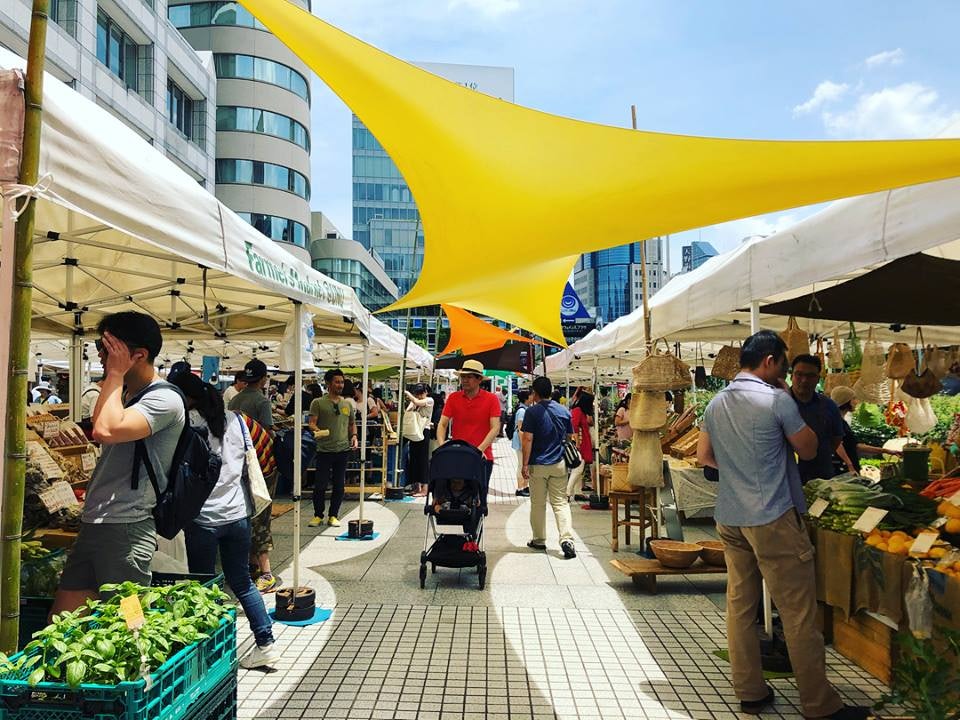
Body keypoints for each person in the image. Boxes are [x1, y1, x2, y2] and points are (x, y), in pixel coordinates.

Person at [696, 330, 867, 720]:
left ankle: (750, 692)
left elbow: (705, 455)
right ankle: (819, 705)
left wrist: (741, 470)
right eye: (784, 365)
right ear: (771, 361)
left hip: (730, 517)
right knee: (798, 611)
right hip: (772, 516)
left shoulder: (717, 403)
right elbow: (808, 450)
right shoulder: (777, 400)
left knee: (740, 606)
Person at [52, 312, 185, 615]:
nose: (100, 355)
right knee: (62, 621)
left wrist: (113, 375)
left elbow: (105, 430)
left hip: (126, 526)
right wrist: (115, 380)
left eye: (109, 347)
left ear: (139, 355)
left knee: (129, 626)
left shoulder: (164, 399)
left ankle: (144, 664)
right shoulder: (126, 393)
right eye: (101, 346)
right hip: (96, 522)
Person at [168, 373, 279, 669]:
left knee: (204, 587)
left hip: (202, 518)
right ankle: (265, 643)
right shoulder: (236, 420)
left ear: (185, 397)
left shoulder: (185, 422)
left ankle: (213, 652)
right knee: (241, 581)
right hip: (237, 515)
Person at [228, 359, 279, 593]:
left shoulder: (235, 399)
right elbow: (267, 432)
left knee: (247, 512)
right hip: (262, 465)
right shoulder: (261, 401)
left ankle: (250, 566)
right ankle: (266, 571)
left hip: (240, 465)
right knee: (262, 513)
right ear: (263, 379)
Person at [520, 376, 577, 559]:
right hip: (559, 464)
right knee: (560, 503)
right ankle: (567, 539)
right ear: (551, 391)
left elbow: (527, 439)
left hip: (538, 464)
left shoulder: (532, 412)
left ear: (534, 393)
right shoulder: (564, 411)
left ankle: (539, 539)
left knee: (538, 504)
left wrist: (525, 464)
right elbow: (570, 437)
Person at [436, 359, 500, 511]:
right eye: (462, 376)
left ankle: (474, 532)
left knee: (480, 499)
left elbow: (495, 428)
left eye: (469, 377)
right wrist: (442, 444)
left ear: (479, 379)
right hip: (457, 455)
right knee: (452, 494)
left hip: (483, 456)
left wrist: (479, 450)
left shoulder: (491, 399)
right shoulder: (453, 398)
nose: (464, 380)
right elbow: (442, 424)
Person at [308, 368, 359, 527]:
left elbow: (352, 424)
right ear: (328, 383)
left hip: (343, 450)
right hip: (323, 450)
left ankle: (333, 515)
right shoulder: (318, 402)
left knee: (339, 485)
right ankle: (318, 515)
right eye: (337, 382)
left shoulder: (347, 404)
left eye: (342, 382)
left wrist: (355, 437)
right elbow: (312, 423)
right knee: (320, 485)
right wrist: (316, 430)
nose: (340, 385)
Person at [790, 354, 844, 483]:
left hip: (821, 475)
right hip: (787, 477)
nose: (804, 380)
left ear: (818, 378)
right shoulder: (778, 404)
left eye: (810, 376)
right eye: (799, 374)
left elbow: (836, 438)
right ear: (791, 375)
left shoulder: (829, 406)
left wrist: (820, 452)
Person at [829, 386, 901, 474]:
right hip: (841, 470)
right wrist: (849, 465)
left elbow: (856, 446)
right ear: (846, 401)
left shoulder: (841, 421)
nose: (856, 402)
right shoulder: (836, 421)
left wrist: (886, 451)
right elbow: (837, 445)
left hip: (847, 468)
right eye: (854, 399)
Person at [404, 384, 434, 497]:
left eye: (421, 393)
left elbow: (418, 402)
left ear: (426, 392)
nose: (420, 396)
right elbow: (408, 411)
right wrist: (413, 401)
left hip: (423, 432)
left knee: (422, 460)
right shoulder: (416, 401)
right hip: (414, 432)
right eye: (418, 394)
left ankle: (425, 489)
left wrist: (409, 395)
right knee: (414, 459)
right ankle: (417, 487)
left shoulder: (429, 400)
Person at [566, 393, 595, 500]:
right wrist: (577, 442)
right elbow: (574, 426)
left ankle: (577, 492)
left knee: (579, 469)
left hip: (582, 443)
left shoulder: (579, 411)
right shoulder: (578, 411)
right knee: (578, 469)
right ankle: (567, 492)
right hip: (580, 445)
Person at [511, 390, 532, 497]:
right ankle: (520, 488)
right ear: (526, 398)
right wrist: (524, 445)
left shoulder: (525, 409)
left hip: (521, 442)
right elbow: (521, 430)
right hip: (520, 443)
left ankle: (525, 486)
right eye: (531, 395)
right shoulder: (522, 411)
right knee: (521, 464)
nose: (532, 397)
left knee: (524, 464)